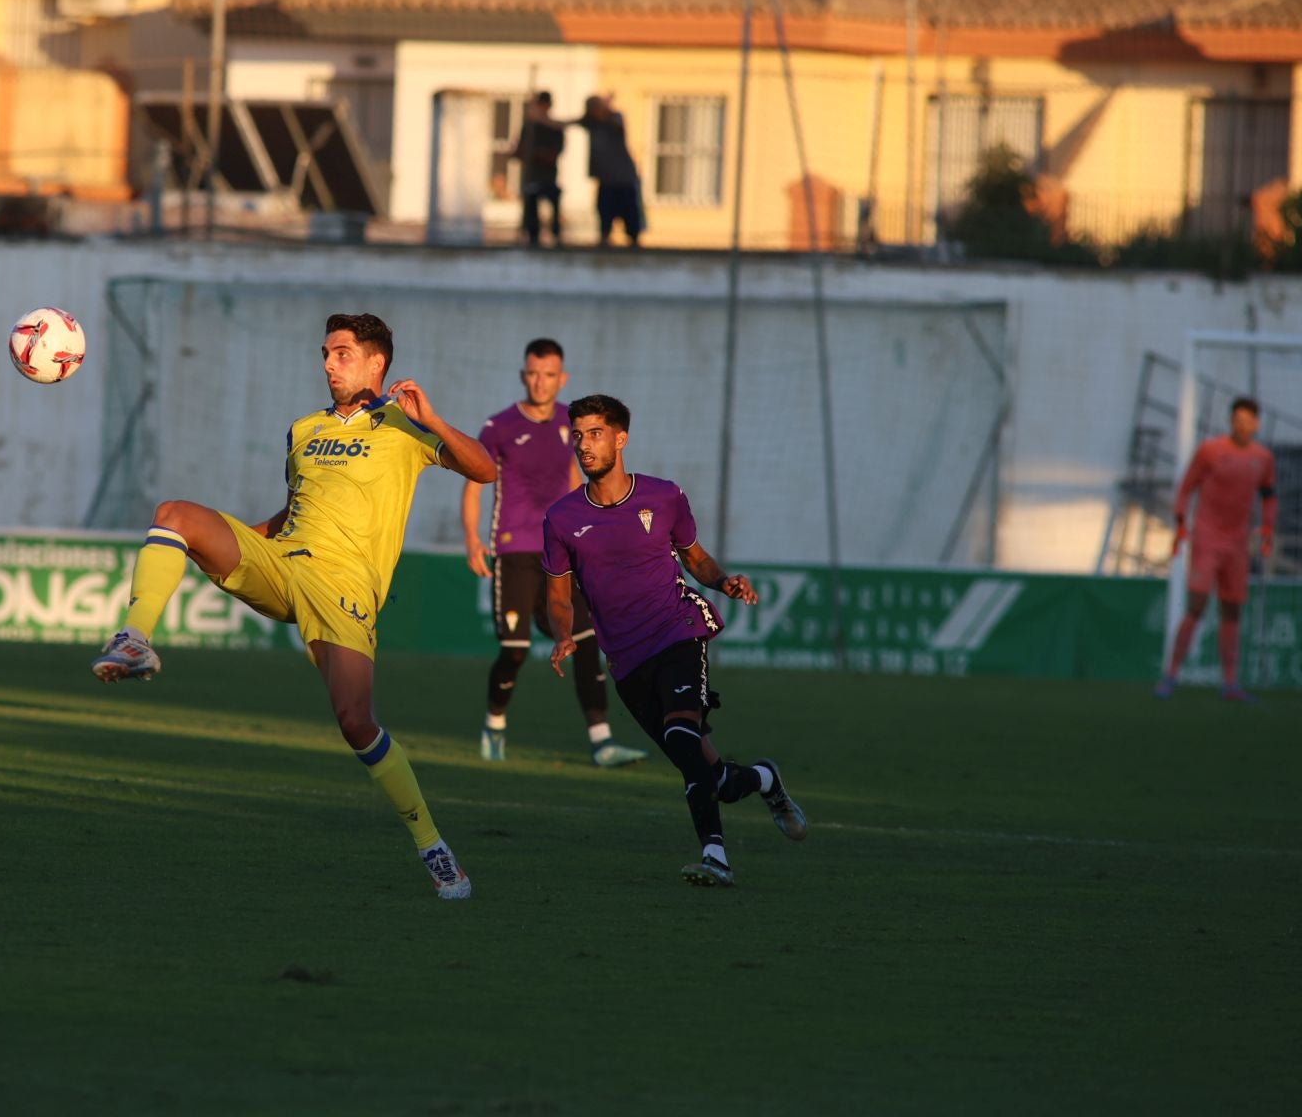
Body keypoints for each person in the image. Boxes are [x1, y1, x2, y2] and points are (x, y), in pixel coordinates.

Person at [91, 314, 498, 900]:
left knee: (356, 722)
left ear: (376, 362)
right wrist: (233, 545)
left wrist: (430, 418)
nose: (329, 363)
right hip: (285, 562)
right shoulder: (303, 429)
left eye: (342, 353)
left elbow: (485, 469)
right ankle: (134, 639)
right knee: (175, 514)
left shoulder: (405, 428)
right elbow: (293, 510)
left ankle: (433, 846)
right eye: (326, 353)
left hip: (345, 587)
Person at [542, 394, 806, 887]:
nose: (584, 444)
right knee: (716, 779)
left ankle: (716, 856)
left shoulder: (663, 497)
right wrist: (562, 634)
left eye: (595, 433)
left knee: (683, 737)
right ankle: (766, 779)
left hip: (678, 630)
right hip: (625, 660)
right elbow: (559, 597)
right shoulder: (560, 518)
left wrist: (724, 580)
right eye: (577, 434)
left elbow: (695, 557)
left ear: (621, 438)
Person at [460, 338, 649, 769]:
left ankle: (602, 742)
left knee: (584, 641)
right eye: (533, 373)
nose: (540, 382)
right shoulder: (499, 427)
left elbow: (576, 481)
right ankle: (495, 724)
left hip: (560, 555)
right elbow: (474, 482)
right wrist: (472, 537)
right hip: (513, 553)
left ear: (561, 378)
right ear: (524, 375)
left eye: (549, 374)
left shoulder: (574, 424)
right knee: (515, 650)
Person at [1155, 397, 1278, 703]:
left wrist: (1266, 529)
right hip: (1208, 539)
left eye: (1248, 420)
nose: (1243, 425)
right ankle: (1170, 675)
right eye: (1238, 419)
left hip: (1238, 544)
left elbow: (1269, 496)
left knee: (1233, 610)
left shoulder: (1262, 458)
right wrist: (1182, 522)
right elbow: (1186, 487)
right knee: (1196, 605)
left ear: (1256, 424)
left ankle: (1230, 683)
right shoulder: (1211, 450)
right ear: (1231, 421)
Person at [577, 94, 643, 248]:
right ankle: (605, 236)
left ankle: (633, 238)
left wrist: (606, 109)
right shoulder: (592, 123)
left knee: (629, 210)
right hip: (606, 178)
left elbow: (617, 125)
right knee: (605, 209)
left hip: (623, 176)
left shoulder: (614, 118)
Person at [509, 92, 565, 248]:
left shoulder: (554, 128)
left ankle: (555, 232)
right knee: (531, 203)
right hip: (532, 175)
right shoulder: (529, 127)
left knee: (553, 200)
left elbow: (553, 154)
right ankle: (532, 234)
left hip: (548, 175)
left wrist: (535, 153)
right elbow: (520, 150)